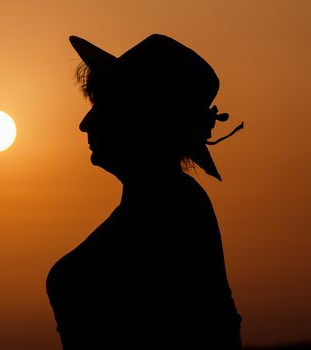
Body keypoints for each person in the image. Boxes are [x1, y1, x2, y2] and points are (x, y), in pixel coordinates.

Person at [46, 34, 243, 350]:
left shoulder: (172, 209)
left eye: (102, 105)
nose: (85, 123)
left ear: (138, 118)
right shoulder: (161, 203)